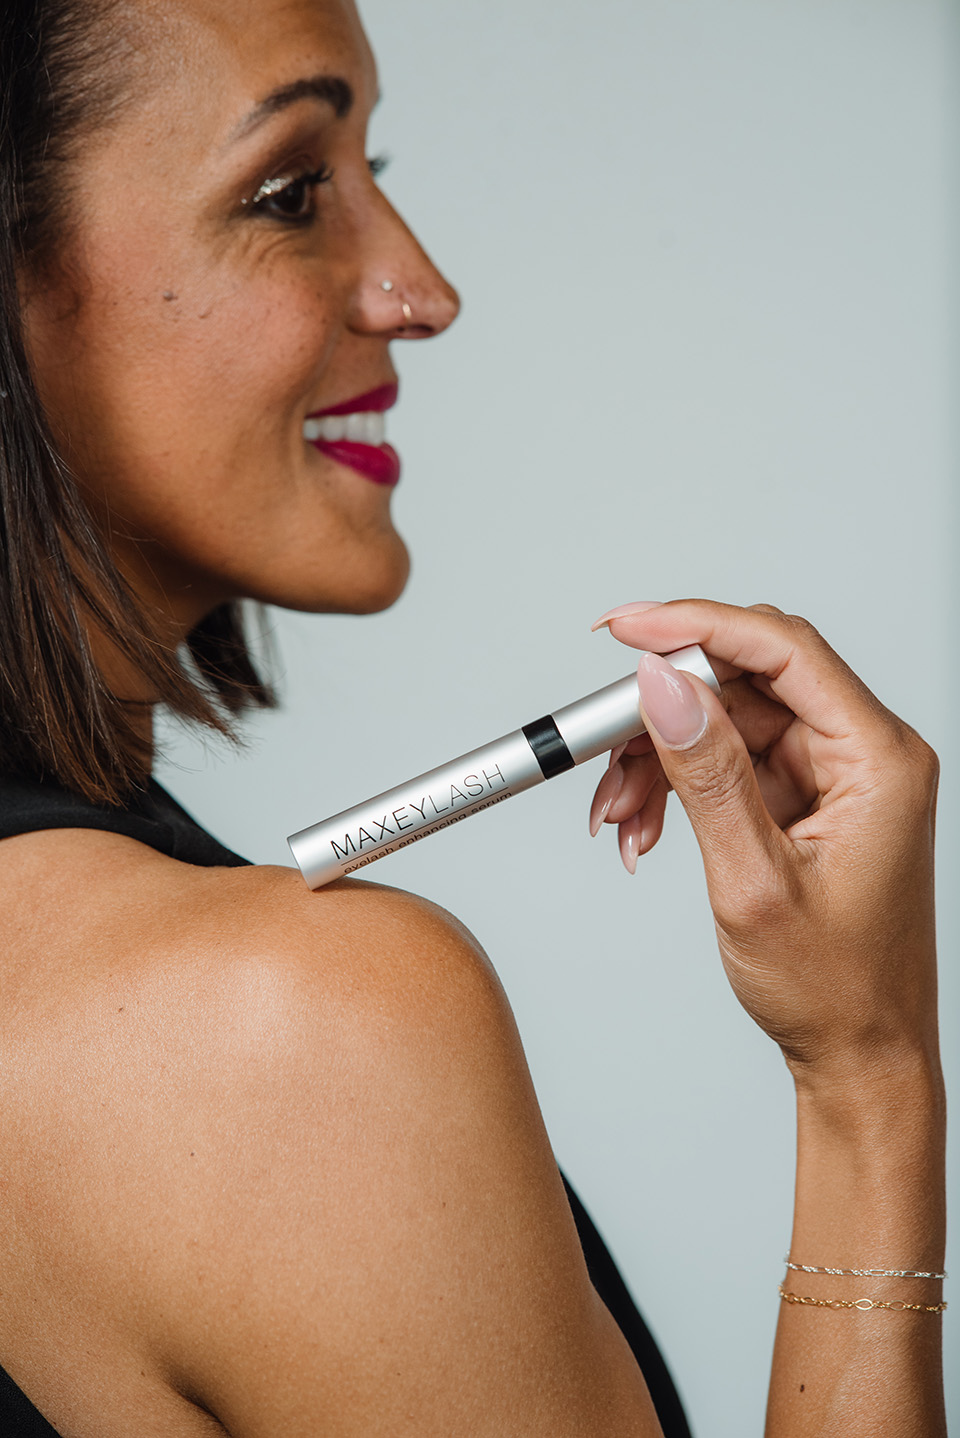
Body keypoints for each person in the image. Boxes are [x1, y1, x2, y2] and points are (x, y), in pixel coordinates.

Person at [0, 0, 946, 1433]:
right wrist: (868, 1076)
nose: (421, 289)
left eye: (381, 169)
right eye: (291, 193)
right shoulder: (294, 1031)